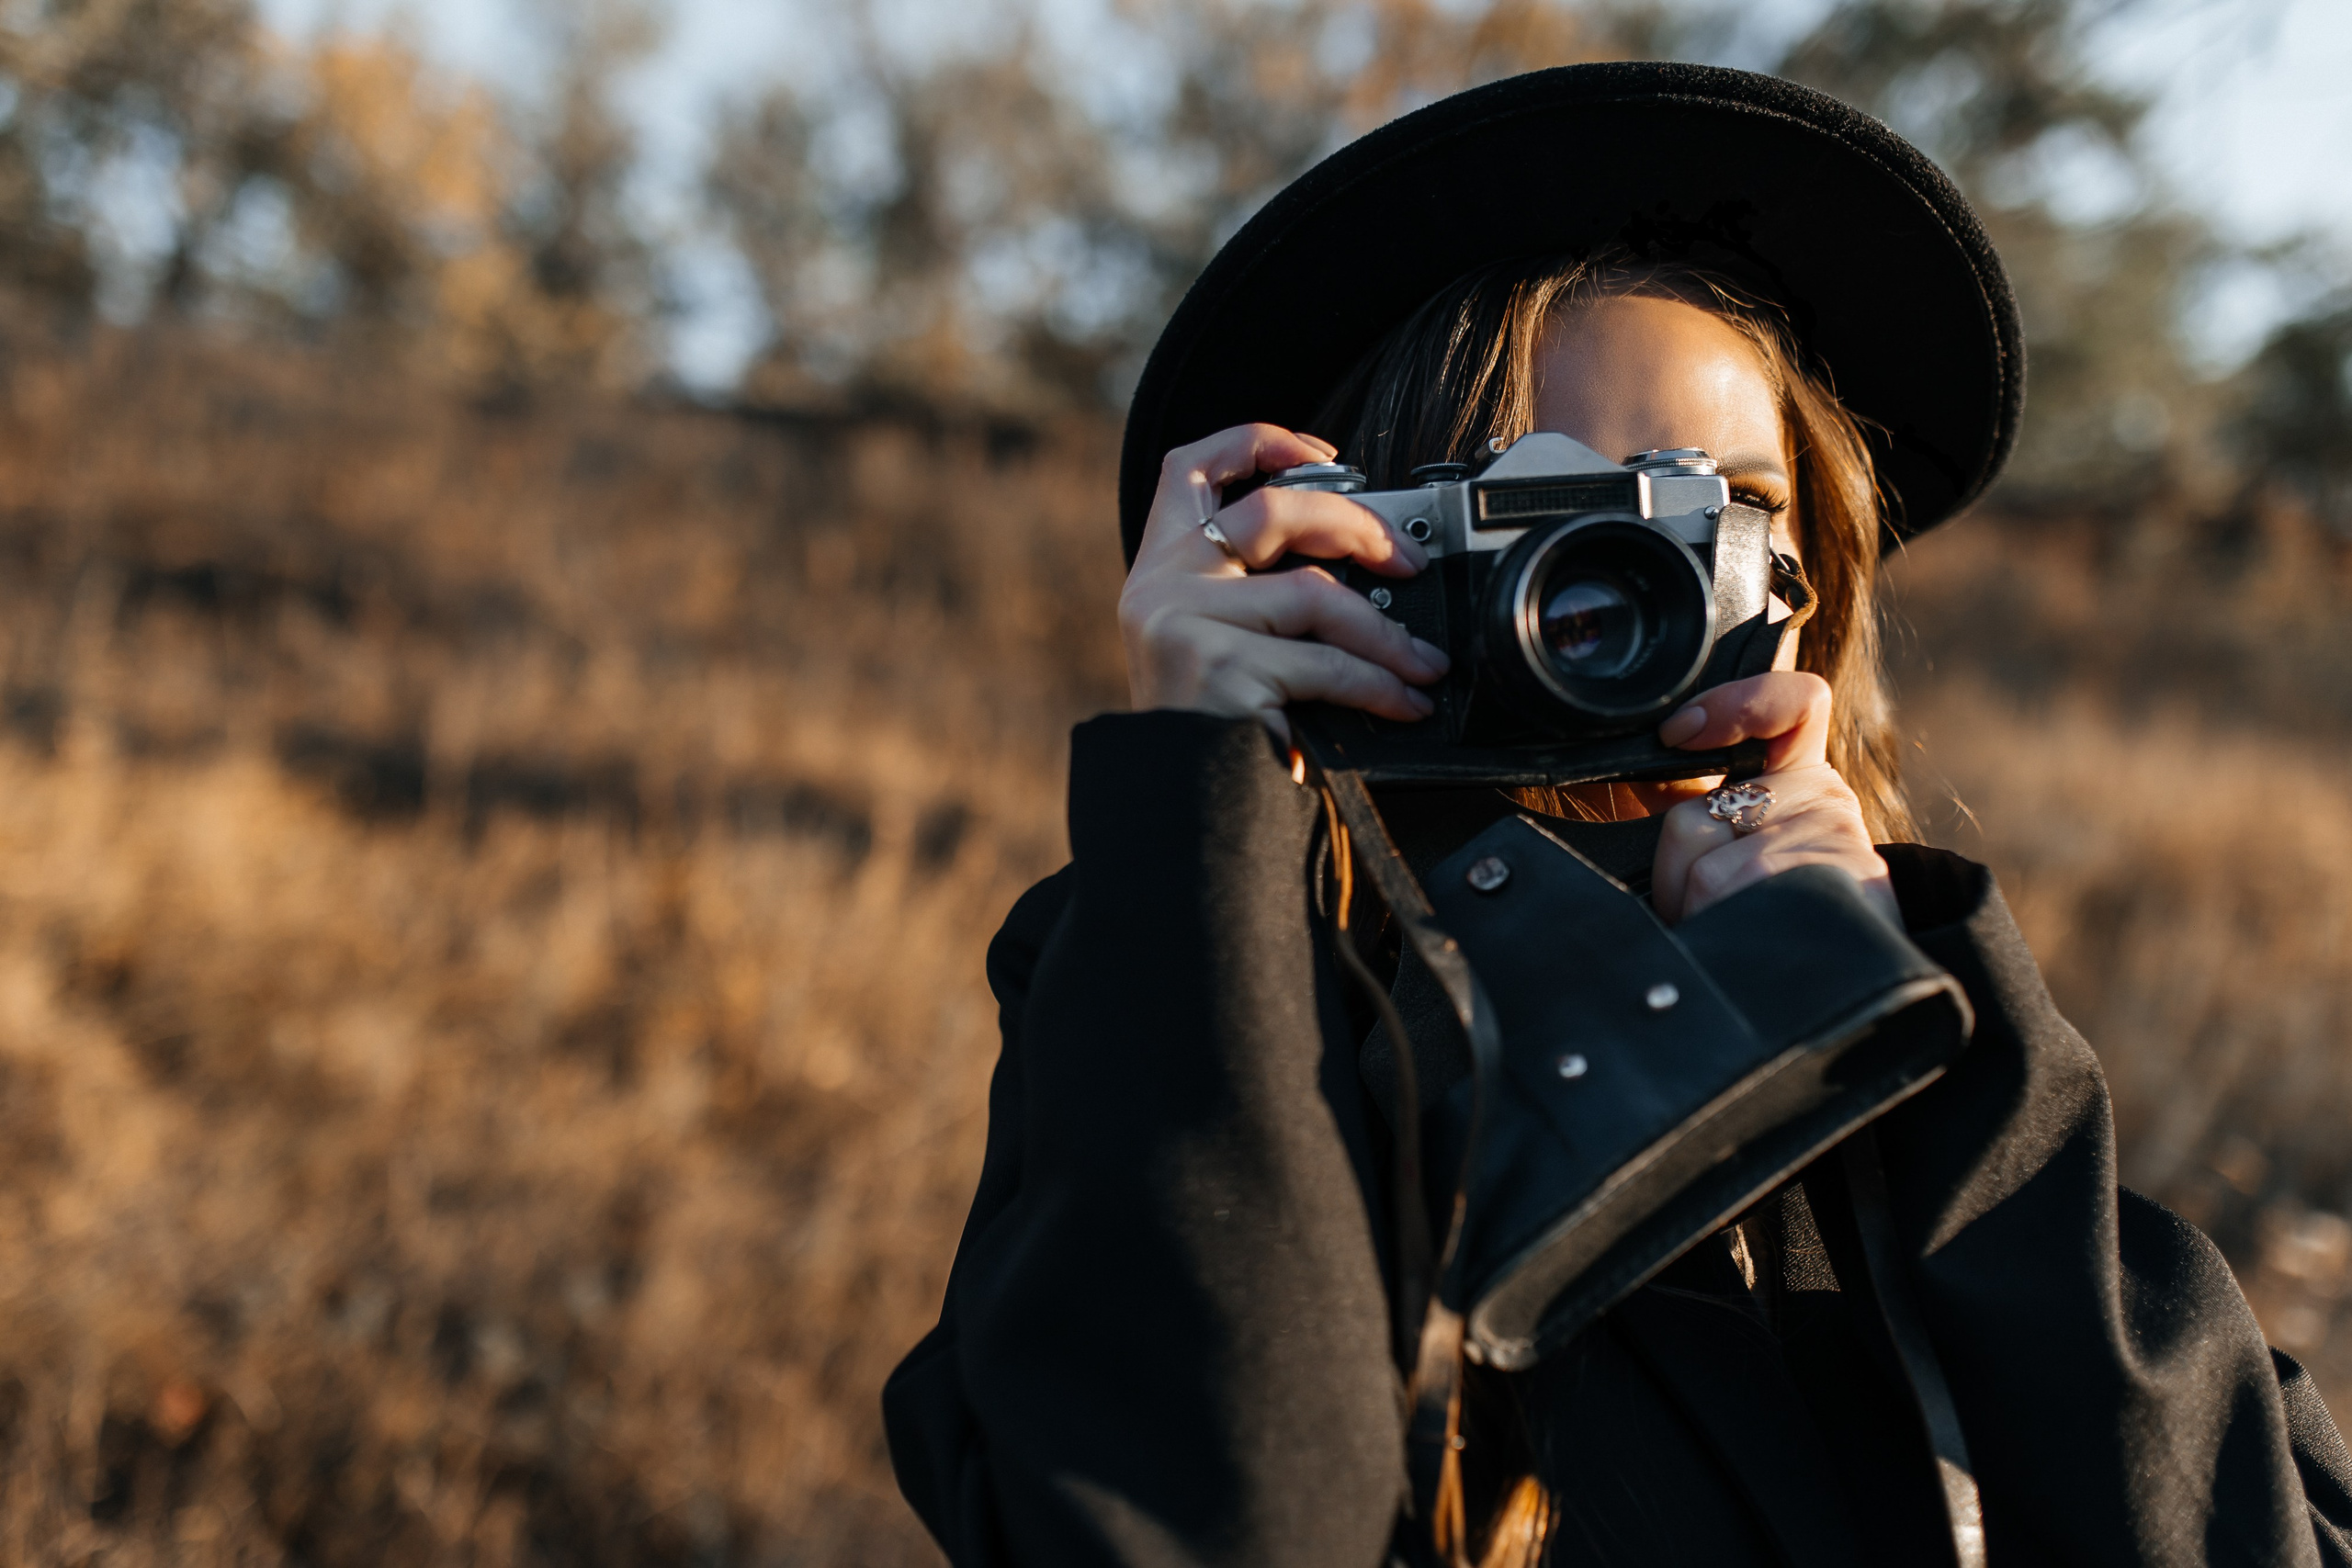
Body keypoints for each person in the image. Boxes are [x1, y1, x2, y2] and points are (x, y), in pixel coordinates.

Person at [882, 62, 2352, 1568]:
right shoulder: (1174, 991)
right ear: (1346, 559)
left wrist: (1915, 1025)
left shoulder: (1933, 1058)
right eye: (1519, 512)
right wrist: (1203, 819)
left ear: (1812, 582)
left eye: (1713, 508)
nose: (1611, 584)